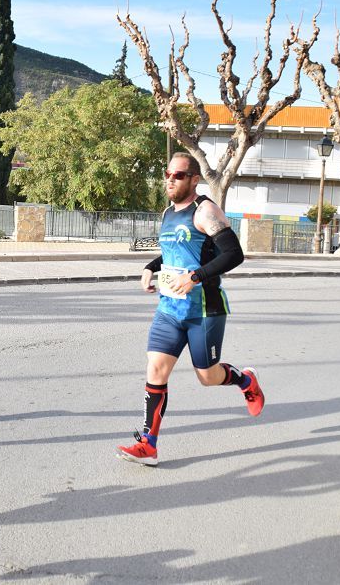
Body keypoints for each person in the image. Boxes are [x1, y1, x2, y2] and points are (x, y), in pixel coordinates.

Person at [116, 153, 265, 467]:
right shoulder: (169, 212)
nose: (170, 179)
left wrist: (195, 277)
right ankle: (148, 445)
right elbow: (174, 250)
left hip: (204, 311)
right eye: (167, 173)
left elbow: (234, 254)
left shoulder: (205, 211)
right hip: (169, 309)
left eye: (178, 175)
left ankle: (245, 381)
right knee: (156, 369)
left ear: (194, 179)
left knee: (207, 377)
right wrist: (150, 267)